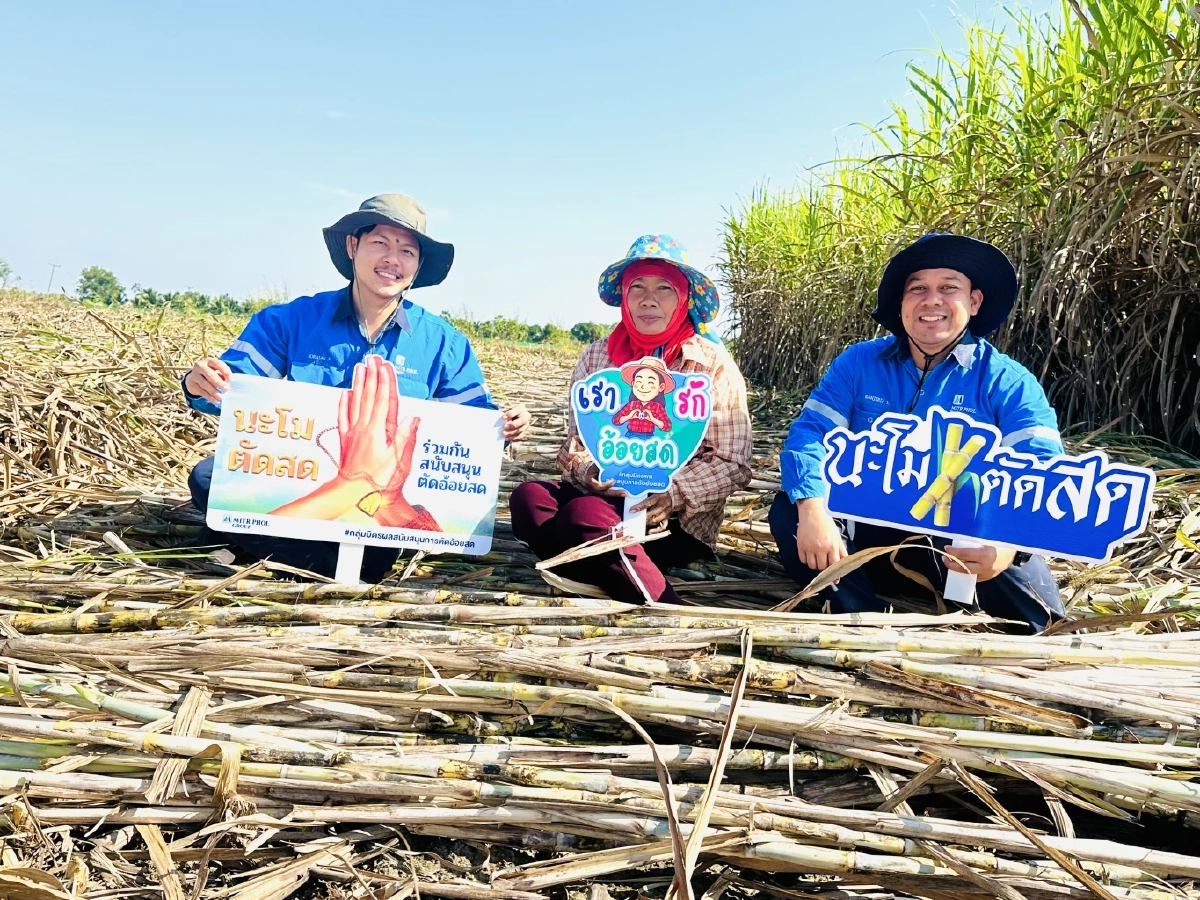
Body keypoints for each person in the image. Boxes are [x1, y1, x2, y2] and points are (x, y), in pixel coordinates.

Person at [183, 193, 531, 581]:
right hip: (294, 475)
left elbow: (476, 424)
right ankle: (327, 561)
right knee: (209, 478)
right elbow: (232, 388)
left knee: (377, 544)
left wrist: (505, 426)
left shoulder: (444, 343)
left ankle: (269, 546)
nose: (392, 260)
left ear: (417, 266)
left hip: (379, 498)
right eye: (380, 243)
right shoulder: (290, 320)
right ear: (353, 245)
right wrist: (203, 383)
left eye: (407, 251)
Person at [769, 233, 1065, 630]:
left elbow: (1043, 470)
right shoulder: (858, 363)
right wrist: (813, 510)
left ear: (973, 302)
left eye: (949, 288)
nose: (932, 300)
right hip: (862, 540)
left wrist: (1006, 546)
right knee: (790, 510)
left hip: (957, 541)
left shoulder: (1007, 380)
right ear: (902, 302)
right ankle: (860, 620)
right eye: (918, 288)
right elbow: (810, 435)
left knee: (1041, 622)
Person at [510, 235, 752, 604]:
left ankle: (663, 604)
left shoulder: (711, 365)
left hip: (671, 520)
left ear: (685, 298)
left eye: (664, 288)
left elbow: (733, 462)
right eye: (636, 286)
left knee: (582, 518)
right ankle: (599, 565)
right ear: (623, 295)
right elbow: (577, 442)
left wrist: (671, 494)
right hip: (601, 495)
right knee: (530, 499)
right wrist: (590, 471)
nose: (648, 298)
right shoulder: (597, 358)